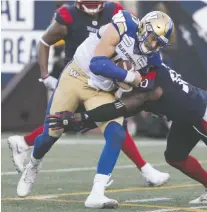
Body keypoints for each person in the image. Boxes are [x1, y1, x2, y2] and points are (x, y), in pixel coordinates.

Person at [48, 64, 207, 207]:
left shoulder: (149, 89)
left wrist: (80, 118)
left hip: (202, 115)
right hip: (187, 114)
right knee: (175, 156)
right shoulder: (148, 65)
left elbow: (120, 107)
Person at [16, 10, 174, 209]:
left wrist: (134, 85)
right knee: (51, 134)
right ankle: (33, 165)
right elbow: (97, 63)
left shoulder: (153, 60)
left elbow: (145, 87)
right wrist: (129, 77)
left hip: (102, 91)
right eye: (152, 39)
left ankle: (97, 192)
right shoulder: (124, 24)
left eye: (158, 44)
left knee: (116, 132)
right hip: (77, 75)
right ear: (143, 28)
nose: (153, 46)